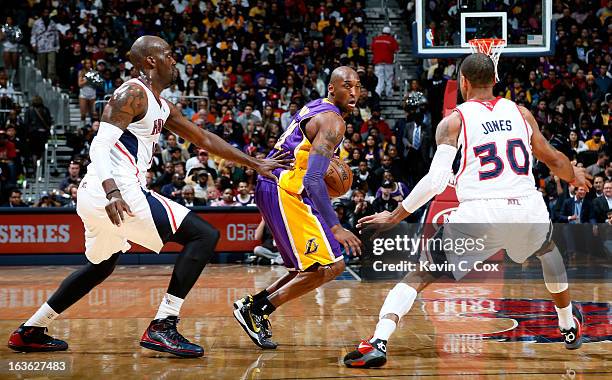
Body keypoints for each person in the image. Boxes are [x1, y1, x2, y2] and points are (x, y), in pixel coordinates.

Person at [8, 36, 289, 358]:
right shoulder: (132, 93)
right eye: (168, 55)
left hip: (99, 193)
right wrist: (113, 191)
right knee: (204, 235)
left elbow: (203, 138)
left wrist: (253, 163)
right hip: (115, 190)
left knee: (100, 266)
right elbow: (99, 145)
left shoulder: (161, 104)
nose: (174, 60)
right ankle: (163, 325)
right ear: (151, 61)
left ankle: (31, 330)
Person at [343, 53, 591, 368]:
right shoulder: (522, 113)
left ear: (464, 82)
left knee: (421, 273)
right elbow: (553, 159)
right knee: (548, 251)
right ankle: (568, 325)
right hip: (526, 207)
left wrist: (393, 216)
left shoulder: (455, 121)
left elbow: (435, 182)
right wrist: (575, 175)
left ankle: (378, 341)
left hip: (480, 214)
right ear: (495, 80)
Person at [233, 66, 363, 349]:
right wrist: (336, 226)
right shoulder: (333, 122)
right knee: (331, 264)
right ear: (332, 88)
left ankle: (252, 304)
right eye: (347, 85)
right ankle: (259, 311)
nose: (353, 92)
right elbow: (315, 178)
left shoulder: (315, 107)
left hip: (275, 185)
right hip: (286, 190)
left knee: (305, 268)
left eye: (358, 86)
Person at [371, 26, 398, 98]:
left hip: (378, 63)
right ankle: (388, 94)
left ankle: (377, 95)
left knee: (379, 80)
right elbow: (396, 50)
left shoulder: (376, 39)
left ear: (382, 32)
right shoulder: (392, 40)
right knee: (388, 79)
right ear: (389, 33)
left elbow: (372, 49)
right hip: (388, 63)